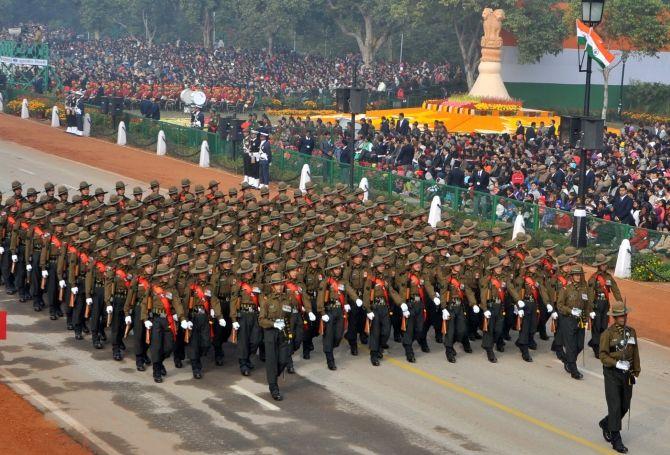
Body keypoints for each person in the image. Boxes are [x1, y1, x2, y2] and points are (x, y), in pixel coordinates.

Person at [598, 301, 640, 454]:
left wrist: (636, 370)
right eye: (620, 316)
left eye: (624, 315)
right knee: (615, 407)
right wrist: (616, 364)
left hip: (626, 374)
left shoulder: (631, 332)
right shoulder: (607, 334)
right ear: (614, 317)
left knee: (624, 406)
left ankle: (606, 423)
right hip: (612, 373)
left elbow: (634, 352)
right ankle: (616, 439)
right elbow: (602, 355)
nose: (623, 318)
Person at [258, 272, 293, 401]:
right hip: (270, 333)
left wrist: (289, 332)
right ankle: (273, 387)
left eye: (281, 284)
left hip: (282, 332)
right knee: (272, 361)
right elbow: (261, 320)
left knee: (283, 360)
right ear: (272, 286)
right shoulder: (267, 301)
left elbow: (289, 317)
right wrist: (273, 324)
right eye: (277, 285)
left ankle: (273, 377)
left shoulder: (287, 299)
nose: (279, 287)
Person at [556, 265, 593, 380]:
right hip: (568, 320)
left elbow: (587, 304)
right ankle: (574, 370)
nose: (578, 277)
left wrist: (587, 316)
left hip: (580, 320)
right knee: (571, 346)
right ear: (571, 276)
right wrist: (571, 311)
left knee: (580, 345)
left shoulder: (584, 289)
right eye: (576, 275)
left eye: (580, 275)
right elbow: (560, 305)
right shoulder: (565, 289)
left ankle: (568, 360)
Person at [588, 253, 622, 358]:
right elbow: (589, 293)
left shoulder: (608, 277)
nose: (604, 266)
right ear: (598, 265)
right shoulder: (594, 278)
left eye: (605, 264)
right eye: (602, 264)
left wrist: (620, 302)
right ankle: (596, 347)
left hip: (605, 304)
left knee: (604, 326)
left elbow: (615, 289)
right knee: (596, 327)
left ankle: (599, 344)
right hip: (597, 303)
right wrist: (590, 308)